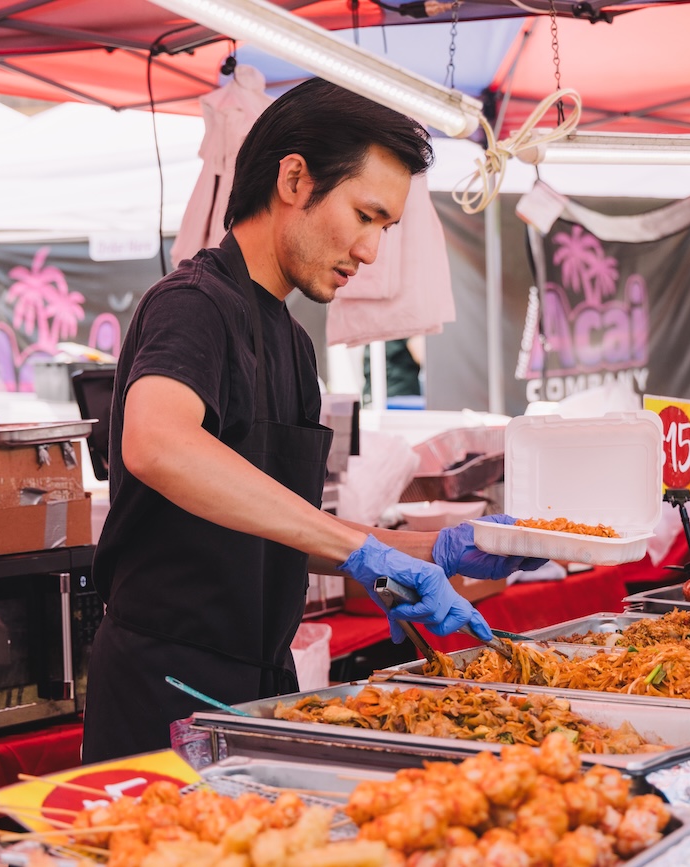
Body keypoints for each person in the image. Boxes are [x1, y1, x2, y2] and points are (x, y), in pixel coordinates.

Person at [82, 79, 543, 762]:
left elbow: (276, 521)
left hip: (261, 681)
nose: (371, 252)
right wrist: (359, 548)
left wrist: (432, 549)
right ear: (294, 177)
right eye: (365, 215)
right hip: (165, 688)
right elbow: (158, 443)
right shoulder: (190, 305)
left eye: (384, 229)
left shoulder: (294, 343)